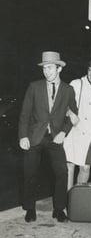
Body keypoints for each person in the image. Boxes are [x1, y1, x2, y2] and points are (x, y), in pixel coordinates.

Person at [18, 51, 77, 223]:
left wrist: (64, 132)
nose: (46, 71)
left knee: (62, 172)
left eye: (50, 68)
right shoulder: (34, 87)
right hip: (34, 136)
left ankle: (59, 209)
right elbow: (25, 114)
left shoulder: (68, 90)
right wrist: (23, 136)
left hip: (55, 138)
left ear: (59, 69)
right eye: (44, 68)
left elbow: (73, 114)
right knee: (30, 173)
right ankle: (30, 209)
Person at [64, 57, 91, 190]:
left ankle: (77, 199)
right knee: (70, 167)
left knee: (85, 167)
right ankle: (66, 200)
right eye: (90, 70)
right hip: (76, 131)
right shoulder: (77, 83)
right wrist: (70, 112)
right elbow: (63, 103)